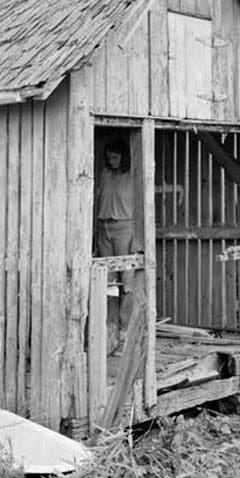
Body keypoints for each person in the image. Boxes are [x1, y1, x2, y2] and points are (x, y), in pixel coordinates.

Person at [95, 137, 136, 354]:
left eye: (116, 157)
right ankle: (109, 332)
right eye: (109, 157)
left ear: (123, 157)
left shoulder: (132, 176)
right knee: (108, 282)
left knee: (126, 282)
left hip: (124, 227)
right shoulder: (104, 174)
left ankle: (125, 331)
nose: (112, 161)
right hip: (104, 227)